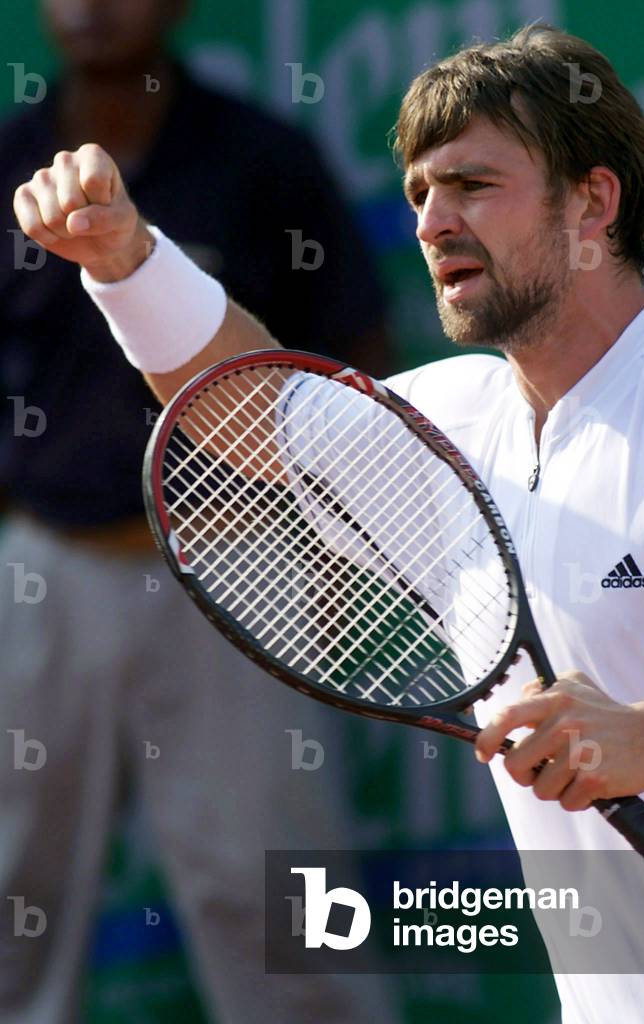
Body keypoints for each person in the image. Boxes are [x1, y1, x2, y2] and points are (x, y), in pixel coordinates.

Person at [12, 20, 644, 1024]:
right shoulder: (453, 427)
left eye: (473, 185)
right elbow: (244, 405)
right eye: (420, 193)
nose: (430, 220)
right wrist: (124, 258)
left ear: (592, 203)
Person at [1, 1, 396, 1022]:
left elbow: (352, 351)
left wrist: (332, 548)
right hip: (42, 567)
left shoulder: (263, 157)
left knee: (273, 885)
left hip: (240, 566)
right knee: (11, 886)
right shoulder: (5, 156)